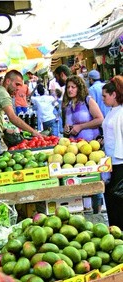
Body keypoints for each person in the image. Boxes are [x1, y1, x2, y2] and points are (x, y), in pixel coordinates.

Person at [62, 75, 104, 214]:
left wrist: (81, 127)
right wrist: (67, 129)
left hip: (90, 147)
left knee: (93, 177)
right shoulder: (67, 106)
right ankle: (79, 208)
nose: (70, 90)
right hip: (74, 149)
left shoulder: (88, 101)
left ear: (79, 88)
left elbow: (99, 119)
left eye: (73, 87)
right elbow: (67, 125)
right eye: (68, 87)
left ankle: (97, 210)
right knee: (78, 178)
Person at [0, 69, 40, 159]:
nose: (18, 88)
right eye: (17, 84)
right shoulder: (3, 94)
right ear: (8, 81)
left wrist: (4, 129)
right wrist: (33, 131)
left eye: (20, 85)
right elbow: (12, 117)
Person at [101, 76, 123, 228]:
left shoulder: (121, 112)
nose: (102, 98)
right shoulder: (112, 111)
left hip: (120, 161)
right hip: (111, 161)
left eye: (104, 96)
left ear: (114, 94)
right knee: (111, 196)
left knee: (116, 197)